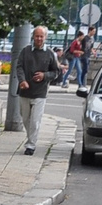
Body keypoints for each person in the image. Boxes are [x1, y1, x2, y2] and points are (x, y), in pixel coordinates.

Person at [14, 25, 60, 156]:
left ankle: (31, 145)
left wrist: (44, 76)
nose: (39, 39)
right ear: (33, 37)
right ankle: (31, 138)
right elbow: (19, 67)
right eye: (37, 36)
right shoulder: (25, 51)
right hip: (25, 90)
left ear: (45, 37)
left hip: (40, 92)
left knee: (35, 120)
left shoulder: (50, 53)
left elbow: (56, 71)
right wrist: (22, 80)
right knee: (25, 118)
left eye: (41, 36)